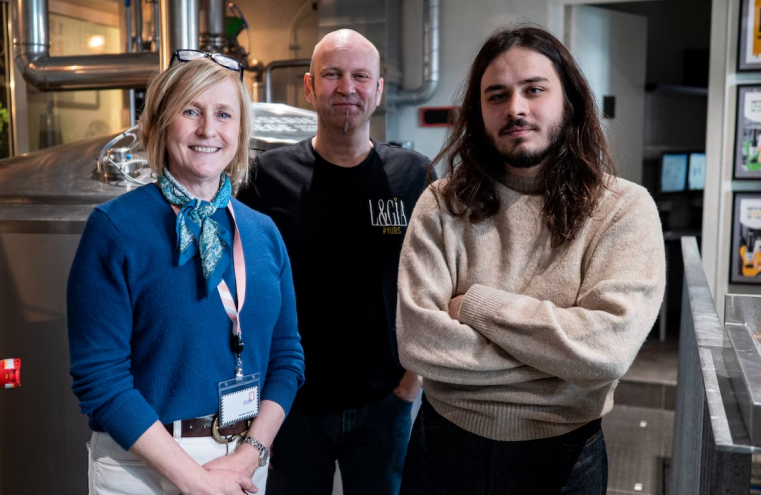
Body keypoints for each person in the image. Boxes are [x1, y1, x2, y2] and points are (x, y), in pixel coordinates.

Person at [396, 25, 665, 494]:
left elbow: (606, 352)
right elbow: (419, 343)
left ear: (570, 100)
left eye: (534, 90)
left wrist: (477, 307)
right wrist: (563, 363)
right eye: (497, 95)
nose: (515, 108)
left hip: (563, 459)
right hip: (443, 450)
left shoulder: (622, 208)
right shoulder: (441, 204)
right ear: (478, 113)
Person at [67, 51, 305, 495]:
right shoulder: (116, 229)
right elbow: (101, 379)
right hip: (142, 467)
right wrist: (194, 479)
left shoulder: (262, 232)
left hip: (242, 464)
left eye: (223, 114)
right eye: (190, 111)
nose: (207, 130)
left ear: (240, 129)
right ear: (160, 123)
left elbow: (287, 357)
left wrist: (249, 454)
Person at [238, 29, 429, 495]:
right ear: (309, 87)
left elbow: (435, 282)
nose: (347, 88)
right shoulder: (267, 177)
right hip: (291, 404)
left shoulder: (414, 175)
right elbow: (245, 287)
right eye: (332, 75)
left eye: (361, 76)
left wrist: (413, 380)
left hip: (385, 401)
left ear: (379, 90)